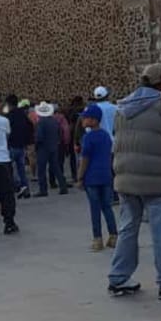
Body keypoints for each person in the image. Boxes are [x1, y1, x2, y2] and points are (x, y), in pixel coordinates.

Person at [108, 63, 161, 300]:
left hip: (125, 177)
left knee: (127, 228)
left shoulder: (122, 108)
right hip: (157, 180)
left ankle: (119, 278)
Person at [76, 103, 118, 252]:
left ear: (94, 120)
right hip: (106, 176)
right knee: (107, 207)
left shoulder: (88, 138)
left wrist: (80, 177)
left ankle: (97, 239)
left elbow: (85, 159)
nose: (83, 121)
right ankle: (114, 236)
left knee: (95, 209)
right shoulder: (106, 136)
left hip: (92, 178)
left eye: (86, 118)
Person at [0, 92, 18, 234]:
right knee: (6, 194)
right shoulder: (3, 120)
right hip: (1, 160)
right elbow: (7, 135)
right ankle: (9, 223)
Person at [34, 102, 68, 196]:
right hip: (54, 146)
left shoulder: (40, 122)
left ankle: (43, 190)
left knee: (41, 170)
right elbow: (60, 133)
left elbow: (39, 137)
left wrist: (36, 145)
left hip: (43, 148)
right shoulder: (54, 121)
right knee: (56, 168)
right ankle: (63, 186)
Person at [5, 93, 33, 198]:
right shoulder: (23, 115)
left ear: (8, 104)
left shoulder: (8, 116)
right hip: (21, 146)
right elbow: (30, 127)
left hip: (11, 146)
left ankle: (16, 186)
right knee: (21, 170)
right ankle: (25, 188)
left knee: (9, 169)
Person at [66, 96, 84, 182]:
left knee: (73, 157)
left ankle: (75, 175)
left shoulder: (70, 110)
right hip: (81, 136)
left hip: (72, 136)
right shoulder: (83, 111)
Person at [53, 103, 72, 181]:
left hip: (50, 143)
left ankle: (52, 180)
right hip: (60, 143)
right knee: (60, 162)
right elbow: (66, 131)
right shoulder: (62, 118)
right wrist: (67, 142)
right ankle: (61, 178)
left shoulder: (48, 118)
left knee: (52, 162)